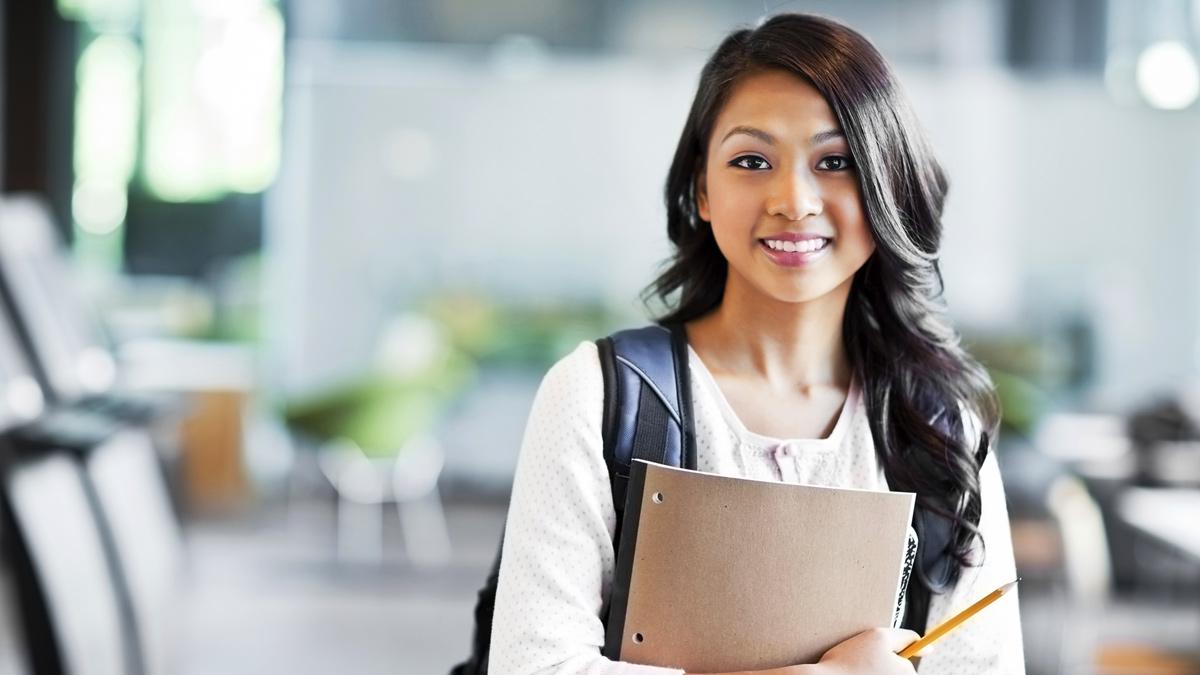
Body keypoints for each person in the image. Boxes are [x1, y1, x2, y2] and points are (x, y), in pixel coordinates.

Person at [489, 12, 1024, 675]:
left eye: (836, 162)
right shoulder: (598, 395)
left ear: (887, 181)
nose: (793, 200)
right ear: (702, 190)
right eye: (751, 160)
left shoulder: (940, 430)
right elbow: (532, 666)